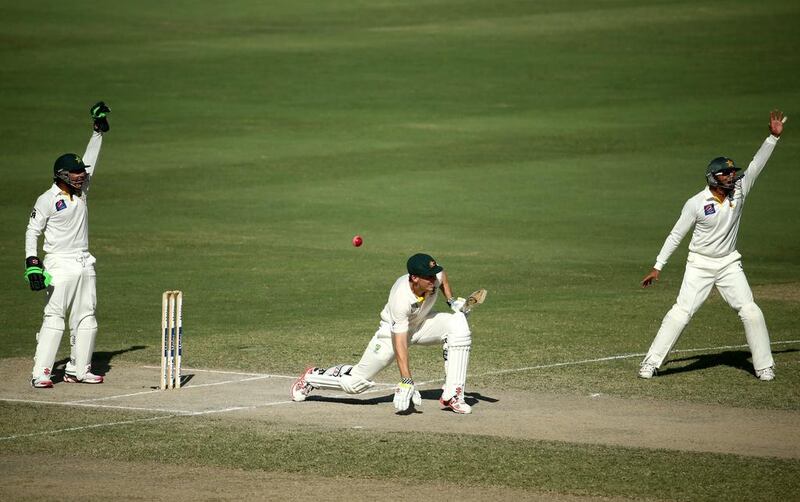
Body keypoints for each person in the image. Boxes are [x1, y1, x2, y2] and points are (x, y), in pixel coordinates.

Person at [639, 110, 786, 381]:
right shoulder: (696, 203)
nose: (732, 177)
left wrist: (772, 138)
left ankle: (764, 366)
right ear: (712, 178)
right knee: (681, 313)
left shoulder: (741, 189)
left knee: (750, 310)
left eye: (732, 173)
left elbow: (756, 165)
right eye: (726, 174)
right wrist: (658, 266)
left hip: (729, 262)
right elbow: (675, 235)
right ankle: (651, 363)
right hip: (700, 264)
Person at [291, 253, 477, 414]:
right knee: (356, 383)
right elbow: (400, 344)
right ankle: (312, 377)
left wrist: (452, 302)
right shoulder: (401, 298)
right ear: (414, 278)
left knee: (458, 324)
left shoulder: (434, 275)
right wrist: (406, 380)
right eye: (427, 277)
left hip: (421, 323)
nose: (432, 280)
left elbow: (442, 277)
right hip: (391, 334)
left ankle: (454, 395)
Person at [25, 102, 111, 388]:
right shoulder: (47, 199)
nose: (81, 176)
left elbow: (91, 160)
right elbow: (31, 231)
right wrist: (32, 264)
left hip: (84, 261)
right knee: (55, 319)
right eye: (75, 173)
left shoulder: (82, 192)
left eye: (81, 173)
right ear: (62, 174)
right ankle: (42, 372)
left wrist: (97, 132)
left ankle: (78, 369)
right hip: (58, 263)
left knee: (87, 318)